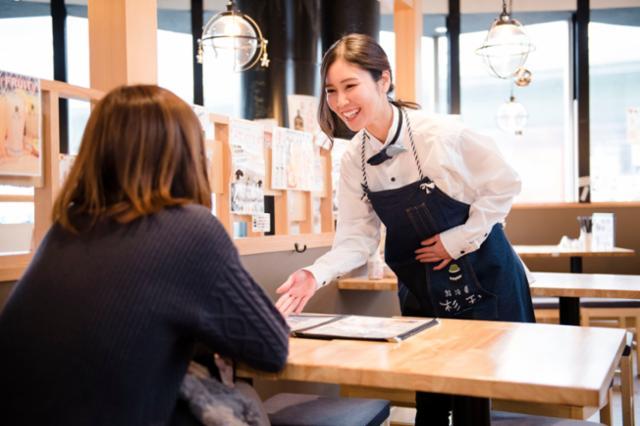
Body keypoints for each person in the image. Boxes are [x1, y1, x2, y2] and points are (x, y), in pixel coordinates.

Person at [275, 33, 535, 425]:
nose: (341, 101)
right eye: (331, 90)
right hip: (424, 290)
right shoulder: (354, 160)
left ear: (383, 80)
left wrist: (456, 240)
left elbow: (505, 184)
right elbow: (356, 240)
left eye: (350, 86)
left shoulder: (441, 135)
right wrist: (315, 274)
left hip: (485, 281)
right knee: (429, 401)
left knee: (485, 400)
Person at [0, 85, 289, 426]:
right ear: (186, 155)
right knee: (245, 400)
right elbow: (271, 349)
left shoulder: (65, 229)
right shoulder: (190, 230)